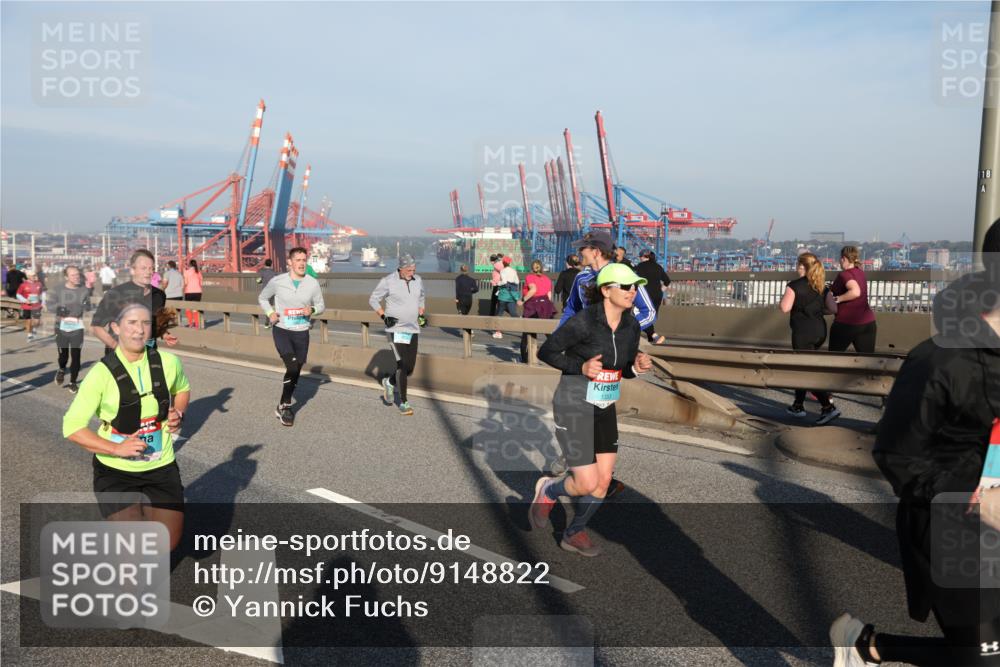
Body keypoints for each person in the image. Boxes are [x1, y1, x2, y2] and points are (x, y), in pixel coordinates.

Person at [830, 240, 1000, 666]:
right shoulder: (940, 360)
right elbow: (898, 454)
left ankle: (866, 647)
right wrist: (978, 500)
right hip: (954, 525)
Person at [530, 263, 653, 557]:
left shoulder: (631, 326)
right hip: (573, 404)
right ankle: (548, 490)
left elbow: (619, 367)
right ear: (606, 290)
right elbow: (546, 352)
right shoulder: (584, 322)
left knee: (604, 481)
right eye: (626, 286)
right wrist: (580, 367)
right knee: (585, 482)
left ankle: (574, 532)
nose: (632, 292)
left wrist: (635, 368)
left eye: (635, 286)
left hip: (603, 406)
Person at [63, 302, 190, 551]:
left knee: (167, 543)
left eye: (144, 323)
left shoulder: (169, 362)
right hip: (116, 472)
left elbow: (182, 389)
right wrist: (115, 448)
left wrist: (179, 414)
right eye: (131, 323)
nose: (139, 330)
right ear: (116, 328)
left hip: (160, 466)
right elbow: (72, 426)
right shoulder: (101, 373)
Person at [557, 231, 657, 499]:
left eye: (584, 249)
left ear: (596, 250)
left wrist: (622, 330)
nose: (580, 253)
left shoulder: (624, 276)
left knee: (600, 405)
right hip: (583, 355)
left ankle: (595, 472)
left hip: (611, 356)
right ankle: (584, 464)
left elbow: (648, 311)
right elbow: (570, 310)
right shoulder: (581, 277)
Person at [257, 247, 325, 427]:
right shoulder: (277, 281)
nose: (302, 263)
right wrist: (271, 313)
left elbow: (321, 305)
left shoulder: (312, 283)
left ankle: (281, 404)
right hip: (282, 330)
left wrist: (312, 310)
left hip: (302, 331)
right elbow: (263, 298)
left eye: (304, 260)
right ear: (290, 262)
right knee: (293, 366)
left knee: (296, 370)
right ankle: (286, 405)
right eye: (298, 260)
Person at [778, 252, 840, 425]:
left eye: (797, 266)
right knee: (803, 368)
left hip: (802, 333)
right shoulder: (822, 286)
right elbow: (833, 309)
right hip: (819, 331)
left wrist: (784, 302)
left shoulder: (794, 285)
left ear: (802, 267)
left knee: (805, 371)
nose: (796, 269)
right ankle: (798, 405)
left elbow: (784, 308)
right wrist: (818, 311)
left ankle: (828, 407)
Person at [91, 249, 176, 357]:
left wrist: (164, 334)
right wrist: (117, 347)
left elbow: (155, 323)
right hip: (119, 356)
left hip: (148, 354)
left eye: (151, 268)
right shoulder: (115, 294)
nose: (148, 272)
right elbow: (96, 327)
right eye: (143, 268)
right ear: (132, 270)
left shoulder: (159, 295)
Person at [370, 254, 426, 416]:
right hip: (395, 330)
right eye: (409, 269)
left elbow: (421, 297)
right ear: (400, 268)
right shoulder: (388, 281)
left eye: (414, 269)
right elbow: (373, 300)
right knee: (402, 364)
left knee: (409, 368)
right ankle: (403, 401)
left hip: (413, 329)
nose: (412, 272)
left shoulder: (418, 280)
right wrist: (383, 316)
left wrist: (421, 311)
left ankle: (390, 381)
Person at [47, 265, 90, 392]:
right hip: (61, 326)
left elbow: (87, 306)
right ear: (66, 277)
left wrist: (87, 306)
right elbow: (49, 305)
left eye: (78, 274)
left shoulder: (84, 290)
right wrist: (59, 309)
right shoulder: (57, 289)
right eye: (73, 275)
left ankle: (73, 382)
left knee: (76, 356)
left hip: (77, 326)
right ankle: (61, 369)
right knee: (63, 357)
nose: (77, 277)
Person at [829, 245, 877, 354]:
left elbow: (855, 292)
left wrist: (838, 299)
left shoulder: (844, 274)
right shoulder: (860, 272)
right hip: (868, 323)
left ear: (843, 259)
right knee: (867, 360)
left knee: (833, 358)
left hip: (846, 323)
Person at [518, 259, 555, 363]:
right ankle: (555, 353)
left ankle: (525, 359)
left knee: (527, 332)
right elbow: (549, 295)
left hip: (533, 306)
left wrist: (522, 300)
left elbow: (533, 290)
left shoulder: (530, 277)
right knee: (548, 332)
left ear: (532, 268)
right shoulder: (547, 279)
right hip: (546, 305)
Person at [634, 250, 671, 344]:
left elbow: (634, 279)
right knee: (651, 316)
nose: (640, 258)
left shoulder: (640, 266)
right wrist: (661, 291)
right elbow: (667, 280)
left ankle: (654, 336)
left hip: (646, 295)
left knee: (641, 314)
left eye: (640, 257)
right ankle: (651, 339)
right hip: (658, 295)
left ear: (643, 257)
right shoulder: (658, 266)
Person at [493, 256, 519, 339]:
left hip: (503, 295)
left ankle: (498, 332)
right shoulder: (513, 271)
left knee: (499, 314)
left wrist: (498, 283)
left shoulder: (503, 271)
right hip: (512, 296)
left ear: (503, 263)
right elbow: (517, 281)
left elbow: (504, 282)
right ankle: (524, 327)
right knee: (513, 313)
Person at [16, 269, 44, 340]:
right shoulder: (23, 285)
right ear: (28, 276)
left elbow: (42, 294)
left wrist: (43, 303)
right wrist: (25, 300)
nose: (35, 276)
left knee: (37, 321)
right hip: (27, 306)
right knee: (28, 321)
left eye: (35, 275)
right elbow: (18, 295)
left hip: (37, 305)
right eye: (33, 275)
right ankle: (29, 334)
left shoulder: (39, 284)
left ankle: (34, 328)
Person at [256, 259, 278, 329]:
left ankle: (266, 323)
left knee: (266, 307)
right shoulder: (274, 273)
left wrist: (260, 281)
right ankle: (269, 322)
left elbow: (258, 280)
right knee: (270, 307)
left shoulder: (262, 272)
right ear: (271, 264)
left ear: (265, 264)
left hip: (264, 292)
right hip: (272, 292)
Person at [182, 259, 203, 329]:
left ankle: (190, 323)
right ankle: (197, 324)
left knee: (188, 308)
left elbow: (185, 283)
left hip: (189, 292)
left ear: (190, 265)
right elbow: (201, 283)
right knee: (195, 309)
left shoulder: (186, 272)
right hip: (198, 292)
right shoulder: (198, 272)